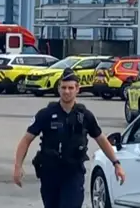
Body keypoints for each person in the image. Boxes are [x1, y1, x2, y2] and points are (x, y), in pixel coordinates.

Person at [13, 68, 125, 208]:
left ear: (77, 89)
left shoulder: (85, 116)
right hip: (50, 173)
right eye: (63, 87)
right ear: (59, 89)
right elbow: (26, 139)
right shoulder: (46, 114)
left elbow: (101, 139)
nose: (67, 91)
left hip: (73, 173)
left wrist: (116, 163)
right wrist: (18, 166)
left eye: (70, 88)